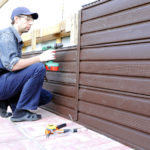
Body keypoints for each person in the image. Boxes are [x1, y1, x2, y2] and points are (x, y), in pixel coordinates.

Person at [0, 7, 55, 122]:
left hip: (5, 80)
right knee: (38, 68)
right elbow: (13, 65)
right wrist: (40, 58)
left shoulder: (15, 37)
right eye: (27, 19)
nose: (31, 23)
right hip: (1, 82)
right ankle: (20, 113)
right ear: (16, 19)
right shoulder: (7, 35)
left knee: (46, 97)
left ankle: (10, 104)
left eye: (32, 21)